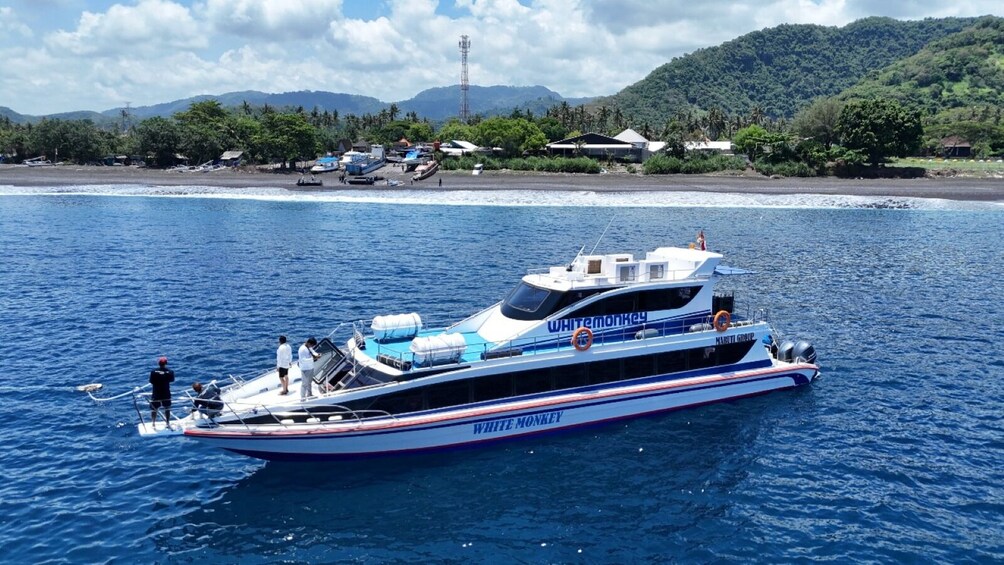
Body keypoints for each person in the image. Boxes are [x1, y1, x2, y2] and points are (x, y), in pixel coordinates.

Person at [149, 356, 175, 429]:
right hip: (166, 393)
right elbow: (172, 380)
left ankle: (153, 423)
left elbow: (151, 381)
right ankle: (167, 423)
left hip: (156, 393)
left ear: (158, 363)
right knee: (167, 408)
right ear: (166, 363)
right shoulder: (170, 372)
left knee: (154, 409)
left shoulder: (153, 372)